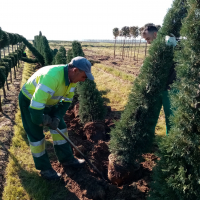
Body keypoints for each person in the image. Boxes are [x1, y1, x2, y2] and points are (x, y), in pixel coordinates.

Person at [19, 56, 94, 180]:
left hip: (48, 101)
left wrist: (57, 117)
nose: (84, 80)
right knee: (36, 136)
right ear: (75, 70)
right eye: (84, 76)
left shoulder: (72, 80)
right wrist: (40, 120)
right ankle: (45, 169)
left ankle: (67, 159)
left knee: (61, 128)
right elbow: (36, 106)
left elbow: (66, 102)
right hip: (29, 102)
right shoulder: (52, 77)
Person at [142, 24, 176, 135]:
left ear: (155, 34)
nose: (147, 42)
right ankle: (148, 141)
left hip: (170, 87)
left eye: (148, 38)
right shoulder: (155, 48)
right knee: (151, 115)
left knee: (171, 118)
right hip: (157, 87)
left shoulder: (169, 42)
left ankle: (170, 144)